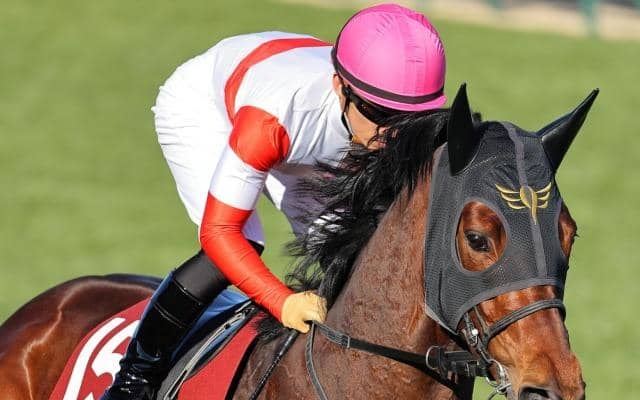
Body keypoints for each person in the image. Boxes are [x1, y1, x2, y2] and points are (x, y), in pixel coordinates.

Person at [101, 3, 447, 399]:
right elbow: (220, 231)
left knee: (349, 250)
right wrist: (281, 302)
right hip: (211, 109)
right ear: (341, 87)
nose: (389, 135)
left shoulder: (376, 114)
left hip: (299, 122)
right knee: (242, 245)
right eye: (377, 113)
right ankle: (134, 378)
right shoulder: (275, 118)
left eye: (404, 118)